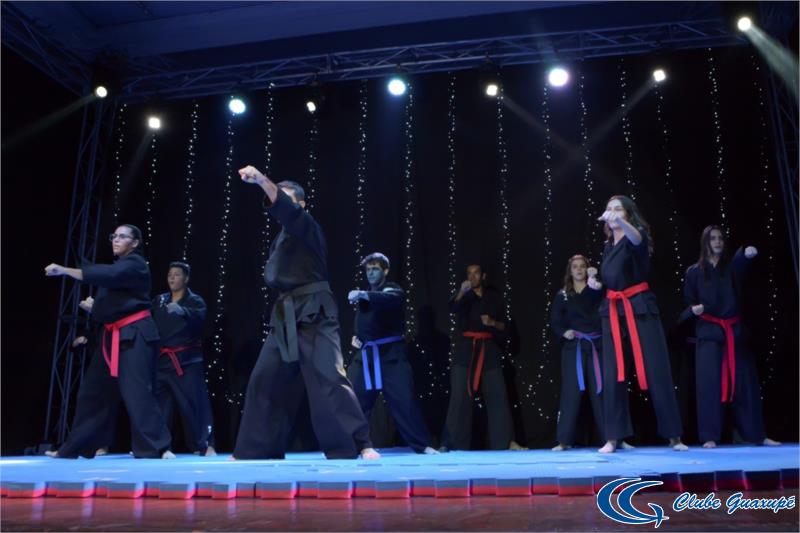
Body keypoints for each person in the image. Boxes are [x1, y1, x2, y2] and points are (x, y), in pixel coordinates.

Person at [233, 165, 378, 460]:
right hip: (285, 314)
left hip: (315, 311)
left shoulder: (307, 226)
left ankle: (359, 443)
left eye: (284, 198)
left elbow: (285, 209)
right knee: (264, 379)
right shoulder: (281, 240)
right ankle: (257, 449)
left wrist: (260, 179)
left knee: (329, 376)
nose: (277, 202)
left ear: (300, 205)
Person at [44, 224, 174, 459]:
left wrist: (65, 270)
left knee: (137, 392)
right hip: (112, 337)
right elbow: (115, 303)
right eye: (114, 236)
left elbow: (109, 275)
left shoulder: (135, 264)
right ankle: (75, 448)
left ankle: (158, 447)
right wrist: (96, 308)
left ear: (135, 243)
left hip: (135, 335)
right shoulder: (120, 267)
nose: (115, 239)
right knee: (93, 392)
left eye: (122, 236)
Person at [590, 196, 687, 453]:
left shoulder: (636, 236)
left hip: (640, 306)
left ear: (628, 214)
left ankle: (674, 436)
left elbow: (636, 238)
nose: (612, 213)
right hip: (613, 309)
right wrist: (597, 285)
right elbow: (613, 278)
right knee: (613, 372)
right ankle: (614, 437)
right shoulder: (608, 245)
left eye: (618, 209)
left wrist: (621, 221)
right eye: (609, 209)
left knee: (657, 368)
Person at [683, 225, 780, 449]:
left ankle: (757, 435)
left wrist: (746, 255)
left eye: (720, 238)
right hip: (709, 334)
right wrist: (694, 310)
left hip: (733, 334)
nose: (717, 242)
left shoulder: (731, 268)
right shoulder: (694, 272)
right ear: (705, 242)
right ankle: (710, 435)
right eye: (713, 238)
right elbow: (689, 300)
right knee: (709, 386)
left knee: (746, 386)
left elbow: (740, 262)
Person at [347, 252, 437, 454]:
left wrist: (363, 294)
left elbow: (389, 299)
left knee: (404, 402)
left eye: (375, 269)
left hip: (391, 358)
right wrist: (358, 339)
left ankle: (422, 444)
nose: (371, 273)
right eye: (368, 269)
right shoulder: (365, 296)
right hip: (367, 358)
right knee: (353, 401)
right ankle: (351, 445)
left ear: (385, 270)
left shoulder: (391, 290)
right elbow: (365, 325)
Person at [441, 264, 526, 451]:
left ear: (483, 276)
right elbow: (452, 308)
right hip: (465, 351)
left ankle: (506, 441)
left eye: (476, 273)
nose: (472, 277)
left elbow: (506, 327)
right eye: (469, 273)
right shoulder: (464, 297)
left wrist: (493, 323)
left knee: (498, 396)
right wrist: (461, 292)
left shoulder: (494, 298)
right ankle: (450, 443)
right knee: (458, 398)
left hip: (489, 350)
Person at [152, 261, 216, 456]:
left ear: (186, 279)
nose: (172, 278)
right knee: (160, 407)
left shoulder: (194, 301)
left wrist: (183, 311)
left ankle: (206, 444)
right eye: (169, 275)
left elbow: (200, 320)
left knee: (194, 405)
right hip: (162, 361)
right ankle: (160, 447)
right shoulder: (160, 300)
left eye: (177, 275)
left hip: (186, 362)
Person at [550, 255, 607, 451]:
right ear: (570, 271)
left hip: (595, 345)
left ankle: (612, 437)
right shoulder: (563, 295)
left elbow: (604, 309)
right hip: (574, 347)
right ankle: (564, 440)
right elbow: (555, 320)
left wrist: (595, 282)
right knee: (571, 393)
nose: (579, 269)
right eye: (575, 267)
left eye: (582, 266)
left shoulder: (596, 289)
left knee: (601, 391)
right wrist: (563, 332)